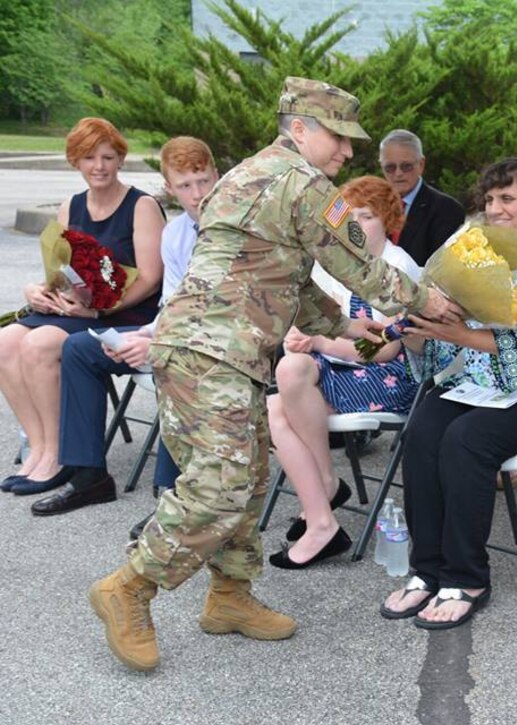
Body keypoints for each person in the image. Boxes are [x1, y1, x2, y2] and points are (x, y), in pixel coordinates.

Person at [87, 77, 454, 673]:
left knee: (250, 476)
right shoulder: (301, 183)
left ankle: (229, 598)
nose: (346, 153)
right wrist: (427, 301)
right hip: (212, 353)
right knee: (223, 483)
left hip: (211, 351)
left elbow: (280, 273)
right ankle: (131, 585)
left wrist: (341, 322)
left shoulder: (251, 174)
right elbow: (362, 265)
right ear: (301, 129)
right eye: (338, 138)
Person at [379, 158, 517, 629]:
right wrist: (420, 331)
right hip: (486, 389)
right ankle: (427, 570)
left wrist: (457, 333)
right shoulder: (483, 260)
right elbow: (441, 360)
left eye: (507, 199)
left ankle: (467, 577)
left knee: (466, 437)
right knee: (423, 428)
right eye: (490, 200)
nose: (494, 209)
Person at [25, 137, 218, 520]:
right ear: (170, 188)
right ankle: (88, 475)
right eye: (185, 185)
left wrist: (157, 342)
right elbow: (173, 302)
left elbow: (222, 311)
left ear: (218, 176)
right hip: (170, 331)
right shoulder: (177, 234)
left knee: (172, 363)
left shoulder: (236, 229)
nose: (197, 195)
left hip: (216, 344)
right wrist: (146, 334)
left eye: (203, 181)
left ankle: (171, 498)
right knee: (79, 350)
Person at [0, 117, 165, 496]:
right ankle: (39, 449)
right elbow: (61, 270)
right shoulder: (70, 207)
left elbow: (150, 278)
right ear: (76, 161)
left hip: (124, 314)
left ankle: (61, 455)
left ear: (120, 160)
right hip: (74, 309)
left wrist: (98, 313)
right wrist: (38, 290)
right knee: (6, 340)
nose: (99, 166)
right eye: (89, 157)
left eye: (108, 157)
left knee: (37, 344)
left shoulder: (141, 206)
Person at [267, 175, 422, 569]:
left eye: (366, 217)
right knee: (285, 376)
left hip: (388, 376)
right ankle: (324, 500)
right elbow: (309, 322)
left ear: (387, 220)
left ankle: (323, 502)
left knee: (278, 408)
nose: (354, 227)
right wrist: (299, 338)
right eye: (346, 219)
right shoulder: (331, 265)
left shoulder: (397, 267)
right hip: (336, 367)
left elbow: (385, 348)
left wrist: (319, 343)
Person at [379, 129, 465, 267]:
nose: (398, 173)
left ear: (421, 164)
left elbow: (441, 270)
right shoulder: (373, 206)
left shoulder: (447, 210)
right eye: (390, 167)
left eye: (406, 166)